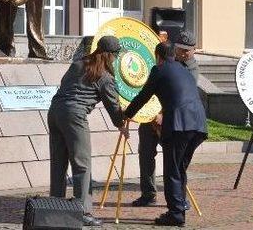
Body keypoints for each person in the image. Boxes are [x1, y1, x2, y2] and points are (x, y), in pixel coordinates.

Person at [48, 36, 128, 226]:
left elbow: (65, 84)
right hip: (75, 116)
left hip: (55, 111)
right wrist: (121, 125)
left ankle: (55, 207)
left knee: (58, 163)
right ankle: (82, 212)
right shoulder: (105, 77)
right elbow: (114, 107)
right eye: (116, 56)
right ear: (111, 55)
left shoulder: (78, 64)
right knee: (82, 165)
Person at [125, 42, 207, 227]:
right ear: (174, 55)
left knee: (172, 170)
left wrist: (126, 114)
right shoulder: (183, 70)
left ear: (158, 56)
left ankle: (175, 214)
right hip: (199, 124)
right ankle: (179, 208)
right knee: (180, 168)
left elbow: (143, 97)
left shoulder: (159, 70)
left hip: (179, 125)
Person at [132, 31, 199, 208]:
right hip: (151, 115)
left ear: (194, 50)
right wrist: (150, 113)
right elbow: (151, 88)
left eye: (187, 51)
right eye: (180, 49)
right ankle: (148, 193)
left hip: (174, 120)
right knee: (145, 153)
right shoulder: (164, 63)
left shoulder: (190, 69)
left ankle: (179, 200)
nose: (183, 53)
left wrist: (162, 115)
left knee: (176, 163)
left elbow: (181, 97)